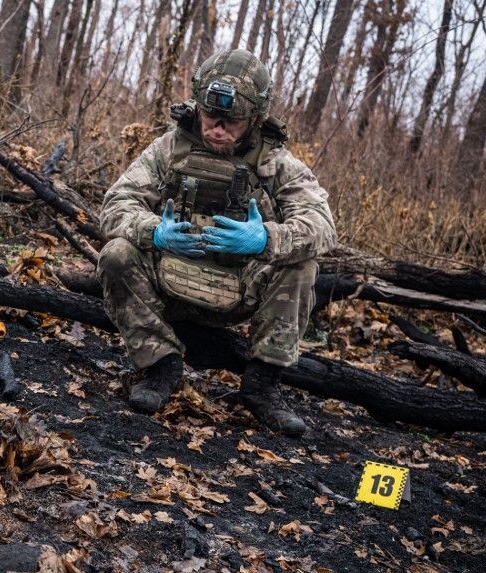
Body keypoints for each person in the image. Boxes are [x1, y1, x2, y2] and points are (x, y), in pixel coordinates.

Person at [96, 48, 336, 437]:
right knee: (117, 254)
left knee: (302, 265)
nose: (217, 128)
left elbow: (322, 225)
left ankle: (262, 386)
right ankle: (160, 366)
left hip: (240, 287)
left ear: (255, 119)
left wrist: (265, 240)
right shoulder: (169, 149)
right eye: (211, 115)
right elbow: (116, 204)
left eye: (231, 121)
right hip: (170, 279)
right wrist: (153, 230)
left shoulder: (276, 164)